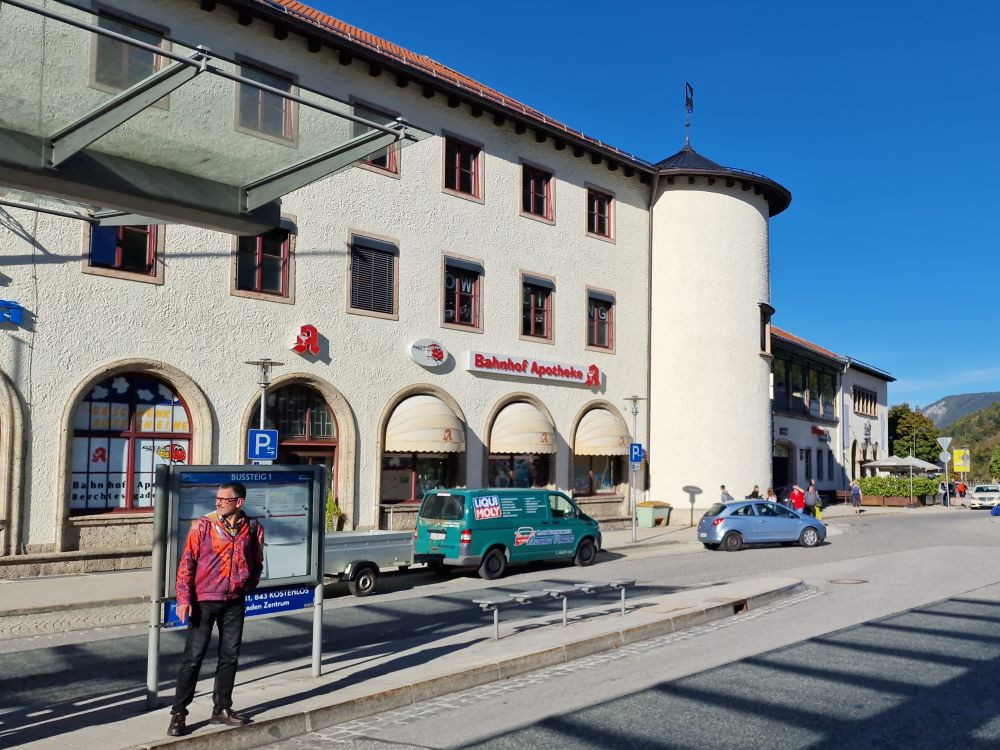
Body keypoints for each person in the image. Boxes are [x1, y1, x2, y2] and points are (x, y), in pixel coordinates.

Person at [168, 482, 265, 737]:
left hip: (234, 601)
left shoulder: (252, 527)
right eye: (218, 498)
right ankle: (179, 713)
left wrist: (247, 585)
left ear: (239, 503)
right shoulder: (203, 525)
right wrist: (183, 599)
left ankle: (222, 708)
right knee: (193, 658)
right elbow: (187, 562)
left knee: (230, 656)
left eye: (224, 499)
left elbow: (257, 562)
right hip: (204, 600)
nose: (219, 502)